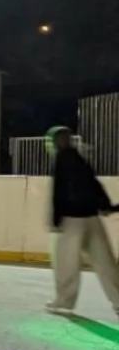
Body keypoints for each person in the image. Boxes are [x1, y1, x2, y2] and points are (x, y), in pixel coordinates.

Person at [45, 126, 119, 316]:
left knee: (65, 262)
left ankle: (64, 301)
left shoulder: (62, 159)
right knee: (105, 262)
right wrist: (106, 205)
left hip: (71, 219)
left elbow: (60, 190)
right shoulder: (79, 159)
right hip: (91, 217)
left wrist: (56, 218)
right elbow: (94, 184)